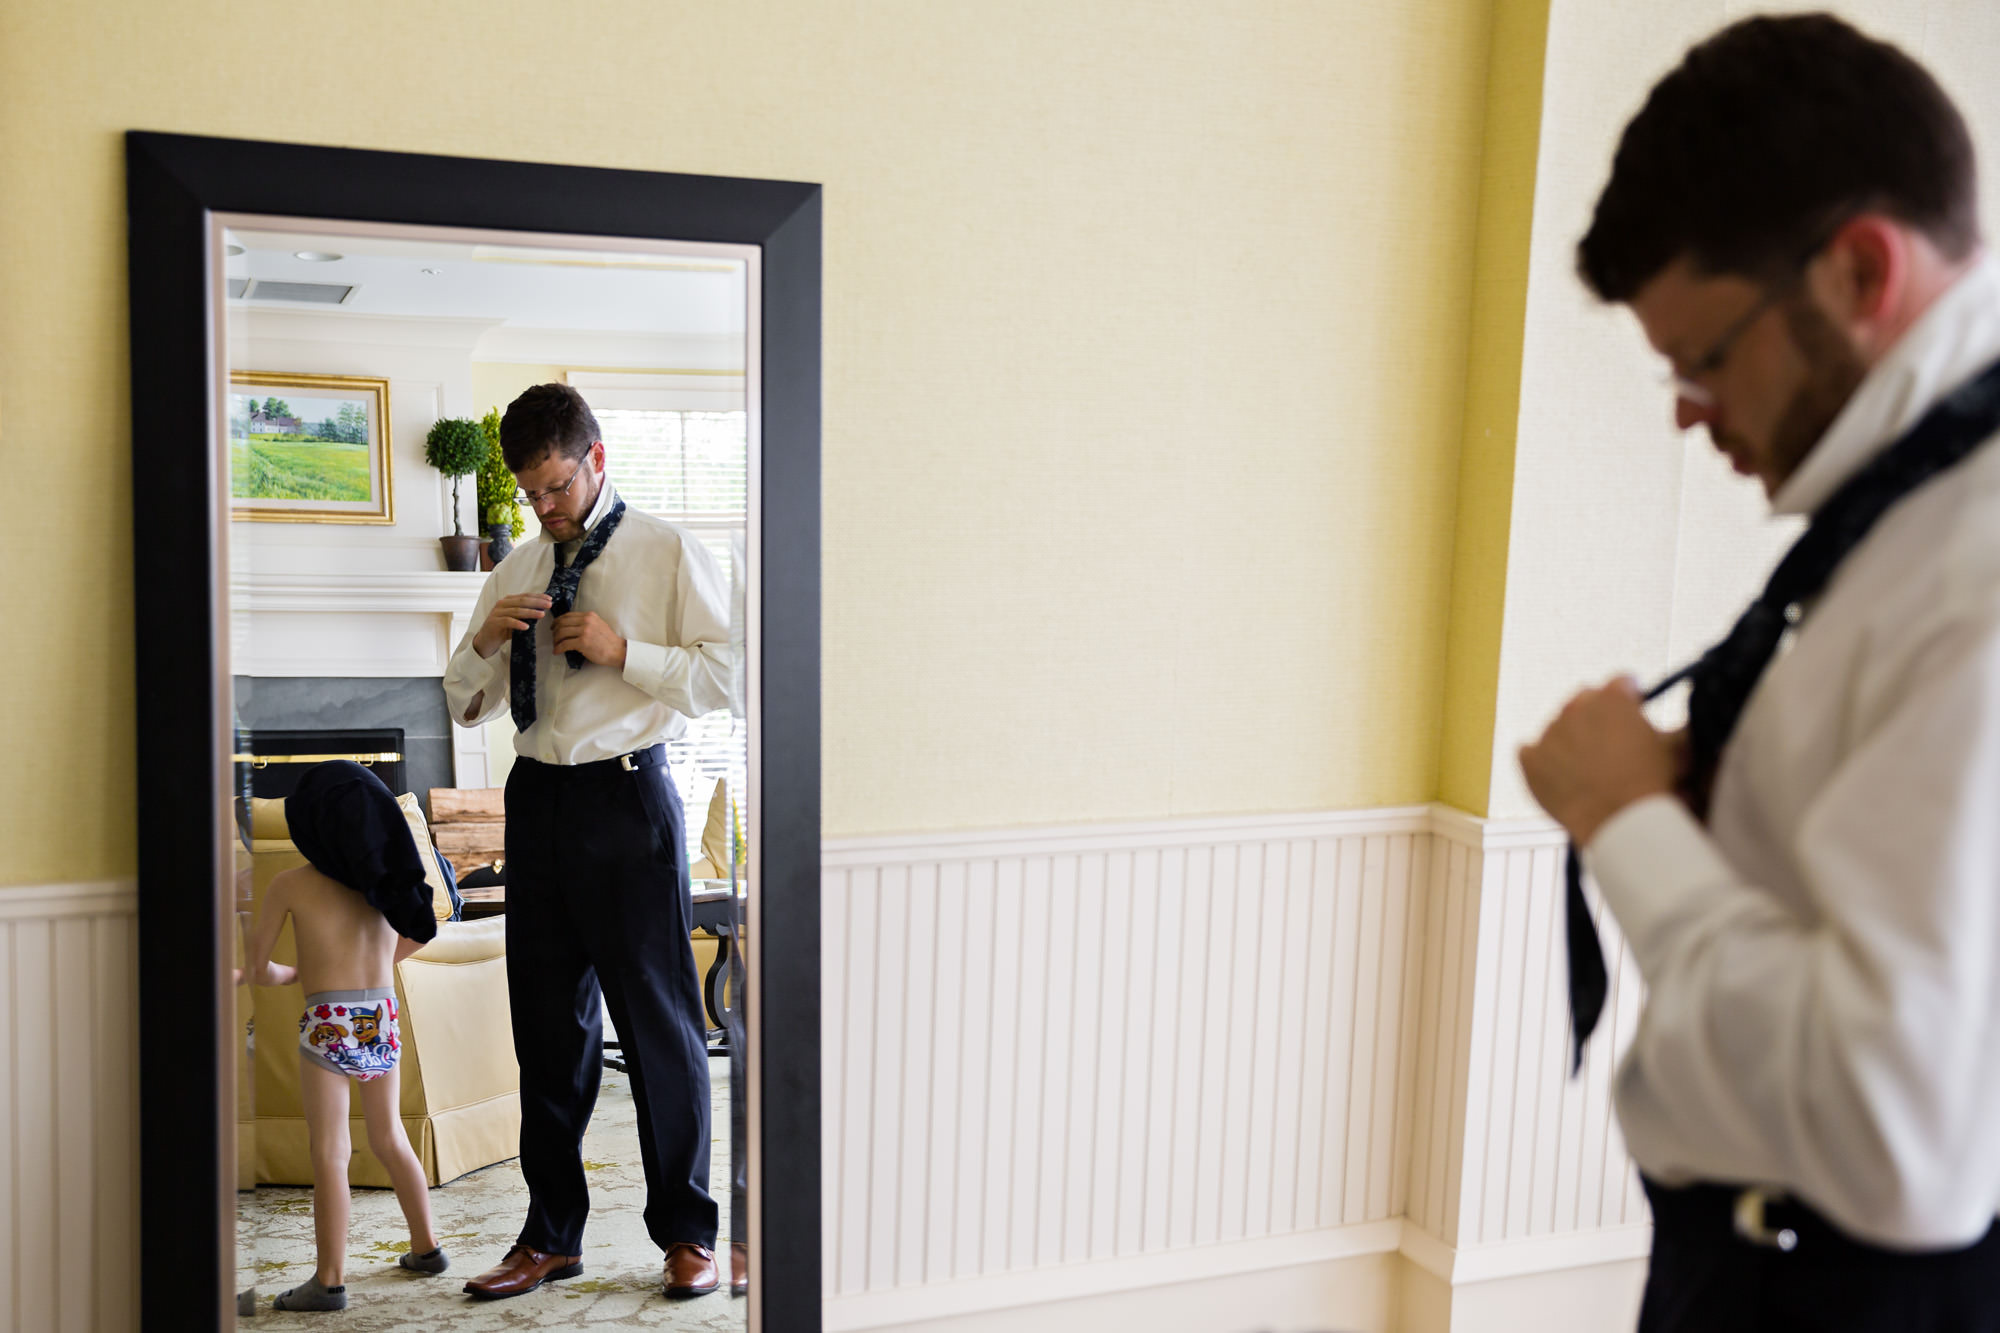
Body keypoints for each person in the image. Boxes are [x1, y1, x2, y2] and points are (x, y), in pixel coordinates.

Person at [1518, 14, 2000, 1331]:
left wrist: (1633, 828)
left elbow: (1901, 1135)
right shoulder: (1909, 521)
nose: (1684, 408)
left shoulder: (1977, 572)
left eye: (1705, 359)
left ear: (1859, 271)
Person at [443, 383, 734, 1301]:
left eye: (558, 486)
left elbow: (730, 675)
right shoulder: (519, 562)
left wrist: (624, 652)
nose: (546, 507)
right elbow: (463, 698)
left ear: (597, 458)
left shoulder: (668, 550)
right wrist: (485, 638)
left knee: (658, 1027)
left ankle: (688, 1235)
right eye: (532, 493)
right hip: (537, 802)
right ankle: (550, 1234)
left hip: (626, 797)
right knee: (547, 1029)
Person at [243, 761, 449, 1312]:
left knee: (331, 1151)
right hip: (380, 1014)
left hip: (329, 1022)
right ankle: (427, 1248)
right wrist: (380, 962)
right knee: (390, 1138)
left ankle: (329, 1280)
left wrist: (297, 975)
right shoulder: (384, 887)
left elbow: (261, 968)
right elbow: (420, 936)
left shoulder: (290, 885)